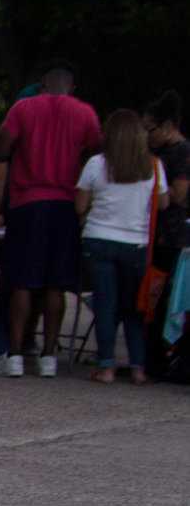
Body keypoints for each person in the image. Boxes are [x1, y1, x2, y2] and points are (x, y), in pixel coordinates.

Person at [0, 63, 100, 376]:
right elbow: (97, 151)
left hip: (27, 204)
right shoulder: (85, 113)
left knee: (22, 281)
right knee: (56, 283)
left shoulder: (24, 109)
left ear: (42, 85)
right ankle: (49, 357)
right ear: (71, 88)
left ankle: (16, 354)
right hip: (65, 205)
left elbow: (0, 148)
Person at [75, 108, 166, 385]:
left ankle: (106, 367)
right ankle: (137, 367)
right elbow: (162, 204)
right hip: (135, 244)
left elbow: (79, 205)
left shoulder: (96, 164)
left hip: (99, 238)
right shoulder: (152, 166)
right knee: (133, 308)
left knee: (106, 305)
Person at [142, 92, 190, 383]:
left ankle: (159, 359)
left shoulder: (181, 152)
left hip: (170, 236)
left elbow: (179, 193)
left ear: (168, 125)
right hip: (157, 234)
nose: (147, 136)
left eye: (151, 129)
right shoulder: (161, 153)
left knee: (160, 298)